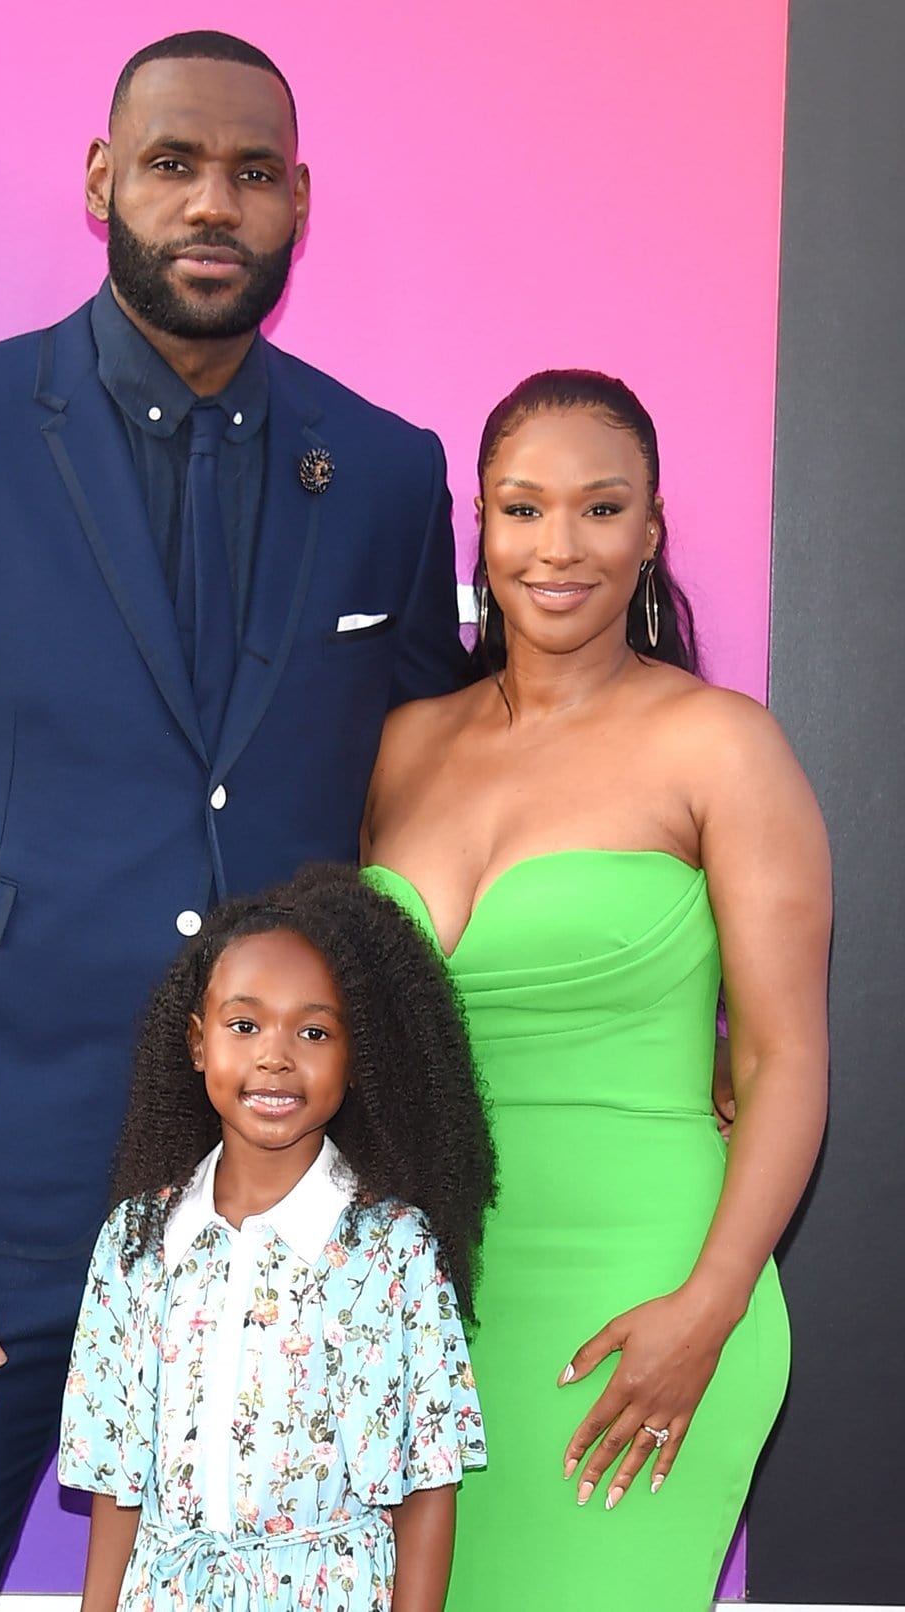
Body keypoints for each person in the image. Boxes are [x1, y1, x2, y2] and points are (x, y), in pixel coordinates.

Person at [0, 31, 465, 1611]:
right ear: (102, 184)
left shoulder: (386, 479)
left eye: (253, 172)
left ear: (298, 203)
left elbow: (434, 806)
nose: (213, 202)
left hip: (281, 1225)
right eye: (173, 163)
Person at [362, 370, 830, 1609]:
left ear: (653, 528)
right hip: (425, 1308)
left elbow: (783, 1058)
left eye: (600, 508)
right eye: (522, 510)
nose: (557, 548)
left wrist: (712, 1304)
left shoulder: (724, 745)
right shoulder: (405, 744)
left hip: (645, 1295)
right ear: (481, 524)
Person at [58, 864, 494, 1611]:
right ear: (198, 1042)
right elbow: (117, 1482)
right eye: (245, 1024)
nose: (275, 1055)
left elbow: (429, 1486)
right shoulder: (135, 1243)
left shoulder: (393, 1250)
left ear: (358, 1058)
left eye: (315, 1030)